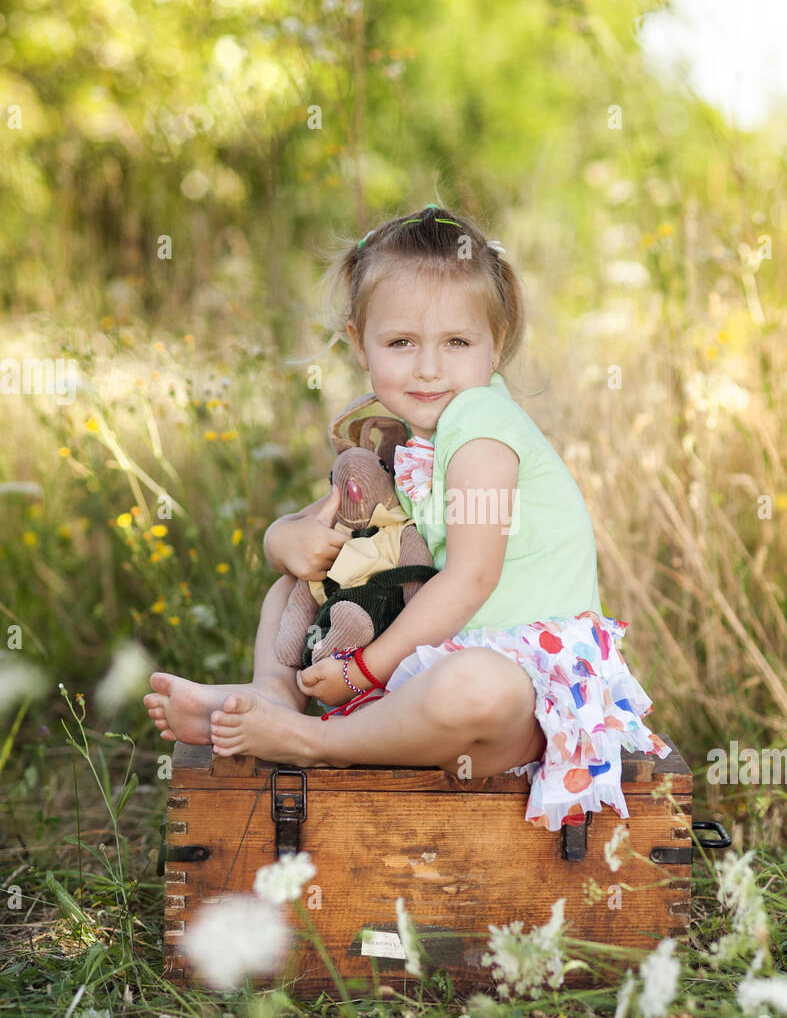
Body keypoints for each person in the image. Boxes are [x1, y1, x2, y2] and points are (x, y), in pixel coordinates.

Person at [144, 203, 670, 830]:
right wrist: (285, 540)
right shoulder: (405, 434)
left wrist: (361, 668)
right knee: (293, 586)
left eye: (457, 342)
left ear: (494, 346)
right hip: (428, 667)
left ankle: (310, 743)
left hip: (525, 690)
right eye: (400, 343)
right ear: (359, 345)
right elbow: (314, 526)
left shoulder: (480, 426)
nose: (428, 367)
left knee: (473, 684)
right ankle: (272, 695)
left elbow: (472, 577)